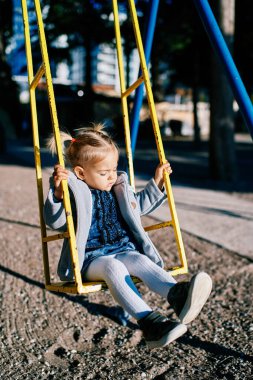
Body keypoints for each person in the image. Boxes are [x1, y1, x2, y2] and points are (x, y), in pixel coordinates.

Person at [44, 124, 212, 349]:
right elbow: (56, 222)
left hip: (123, 249)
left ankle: (178, 296)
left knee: (140, 259)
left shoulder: (119, 187)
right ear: (81, 173)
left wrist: (157, 182)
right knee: (114, 268)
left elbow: (138, 206)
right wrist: (57, 194)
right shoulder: (75, 192)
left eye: (113, 169)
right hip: (91, 259)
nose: (111, 176)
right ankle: (150, 323)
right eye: (104, 173)